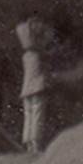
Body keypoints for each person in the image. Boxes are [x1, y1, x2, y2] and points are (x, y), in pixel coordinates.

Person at [15, 13, 57, 153]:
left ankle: (29, 145)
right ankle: (36, 144)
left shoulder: (26, 54)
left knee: (28, 115)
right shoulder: (37, 55)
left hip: (26, 89)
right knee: (38, 113)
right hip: (37, 86)